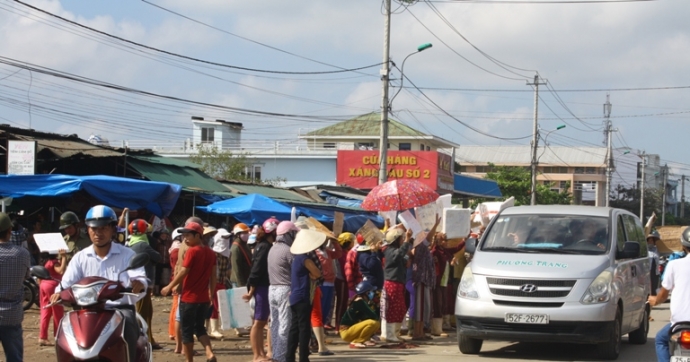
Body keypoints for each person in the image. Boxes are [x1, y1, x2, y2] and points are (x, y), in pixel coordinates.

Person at [50, 205, 148, 362]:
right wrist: (58, 292)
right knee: (65, 330)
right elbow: (66, 282)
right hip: (86, 311)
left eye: (103, 228)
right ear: (88, 230)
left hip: (119, 310)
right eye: (93, 228)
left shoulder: (127, 254)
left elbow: (139, 276)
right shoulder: (80, 257)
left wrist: (138, 283)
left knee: (129, 325)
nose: (98, 233)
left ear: (113, 229)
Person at [161, 220, 217, 362]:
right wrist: (211, 293)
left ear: (198, 235)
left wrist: (169, 286)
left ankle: (189, 360)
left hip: (189, 298)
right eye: (184, 236)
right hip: (203, 298)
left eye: (188, 236)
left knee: (187, 331)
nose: (185, 238)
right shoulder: (211, 253)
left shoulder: (192, 251)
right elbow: (213, 275)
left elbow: (183, 272)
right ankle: (209, 353)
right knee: (200, 328)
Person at [650, 226, 690, 362]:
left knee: (660, 340)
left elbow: (663, 295)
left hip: (678, 323)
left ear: (683, 245)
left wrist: (654, 300)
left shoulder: (674, 265)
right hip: (679, 324)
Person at [287, 229, 325, 362]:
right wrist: (314, 275)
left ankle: (289, 357)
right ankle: (303, 357)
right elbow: (318, 273)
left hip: (294, 296)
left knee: (294, 328)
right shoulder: (305, 259)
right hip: (303, 296)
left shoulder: (296, 259)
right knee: (304, 329)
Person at [243, 217, 277, 362]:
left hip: (263, 287)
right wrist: (251, 290)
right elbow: (256, 270)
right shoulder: (264, 247)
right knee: (259, 322)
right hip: (261, 287)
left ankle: (263, 353)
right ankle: (257, 355)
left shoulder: (263, 246)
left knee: (262, 321)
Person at [127, 218, 163, 350]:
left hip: (135, 283)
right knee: (143, 313)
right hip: (143, 283)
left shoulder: (129, 243)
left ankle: (149, 339)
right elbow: (158, 257)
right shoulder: (143, 245)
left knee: (147, 311)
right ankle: (142, 341)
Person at [0, 211, 31, 362]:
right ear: (9, 231)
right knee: (14, 358)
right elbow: (26, 277)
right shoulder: (22, 254)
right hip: (12, 316)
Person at [268, 221, 299, 362]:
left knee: (275, 324)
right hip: (284, 289)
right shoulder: (288, 251)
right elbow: (296, 271)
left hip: (272, 288)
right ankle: (281, 357)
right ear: (288, 234)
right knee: (285, 325)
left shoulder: (272, 249)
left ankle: (276, 354)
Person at [430, 232, 465, 337]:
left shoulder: (445, 251)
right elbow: (431, 252)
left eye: (446, 240)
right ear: (438, 241)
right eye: (443, 240)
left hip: (444, 281)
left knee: (443, 303)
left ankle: (440, 327)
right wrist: (433, 243)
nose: (446, 242)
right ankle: (436, 329)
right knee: (437, 303)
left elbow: (456, 248)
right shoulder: (435, 251)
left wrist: (464, 240)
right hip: (437, 281)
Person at [411, 215, 441, 341]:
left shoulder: (424, 249)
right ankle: (417, 333)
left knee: (425, 308)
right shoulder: (420, 247)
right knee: (421, 308)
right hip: (422, 281)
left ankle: (421, 331)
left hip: (427, 281)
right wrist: (435, 225)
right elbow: (429, 238)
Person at [381, 227, 412, 342]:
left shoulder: (396, 250)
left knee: (400, 308)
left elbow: (403, 258)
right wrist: (407, 241)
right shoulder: (389, 250)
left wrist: (407, 256)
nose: (402, 240)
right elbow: (398, 255)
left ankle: (395, 333)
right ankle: (389, 334)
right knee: (393, 308)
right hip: (392, 282)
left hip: (399, 282)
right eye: (401, 238)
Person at [38, 249, 67, 346]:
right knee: (57, 311)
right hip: (53, 287)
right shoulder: (54, 262)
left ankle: (42, 337)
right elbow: (61, 271)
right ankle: (58, 336)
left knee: (45, 311)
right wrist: (63, 257)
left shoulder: (44, 262)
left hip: (43, 285)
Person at [340, 281, 381, 349]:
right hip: (346, 332)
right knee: (374, 323)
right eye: (370, 291)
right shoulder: (359, 302)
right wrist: (377, 306)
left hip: (351, 330)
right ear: (366, 293)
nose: (373, 293)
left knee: (374, 323)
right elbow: (374, 316)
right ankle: (356, 341)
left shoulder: (361, 301)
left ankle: (364, 339)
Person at [208, 228, 232, 339]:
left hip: (221, 282)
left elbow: (227, 270)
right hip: (213, 282)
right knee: (212, 305)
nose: (226, 240)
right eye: (224, 237)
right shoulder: (212, 253)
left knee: (219, 306)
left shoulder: (227, 253)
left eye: (227, 237)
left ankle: (213, 328)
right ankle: (213, 329)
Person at [333, 232, 355, 331]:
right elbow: (343, 269)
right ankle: (338, 325)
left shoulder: (346, 252)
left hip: (344, 280)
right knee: (341, 303)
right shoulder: (342, 254)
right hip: (341, 280)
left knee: (344, 303)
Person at [647, 230, 661, 296]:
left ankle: (655, 296)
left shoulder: (656, 249)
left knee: (655, 284)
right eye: (649, 241)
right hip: (648, 270)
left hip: (655, 271)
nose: (650, 242)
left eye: (652, 241)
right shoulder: (646, 251)